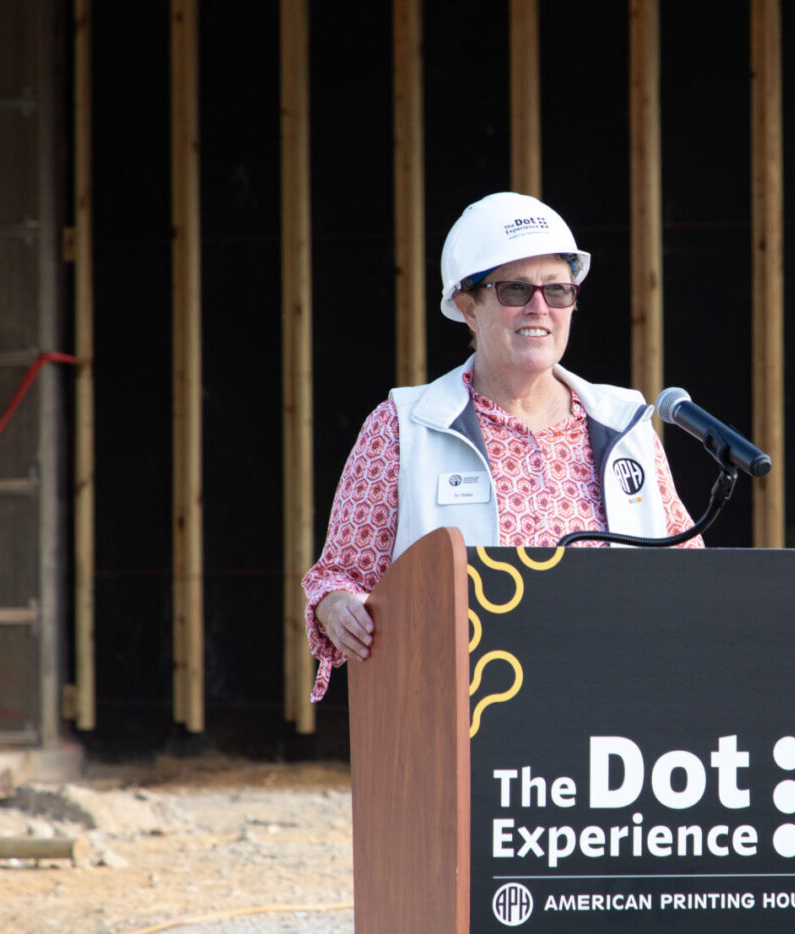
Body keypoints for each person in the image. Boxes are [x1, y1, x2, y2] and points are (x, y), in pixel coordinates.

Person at [301, 192, 703, 700]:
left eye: (558, 291)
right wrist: (337, 607)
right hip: (462, 715)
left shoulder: (626, 424)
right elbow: (339, 575)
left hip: (614, 712)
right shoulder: (402, 428)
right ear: (469, 307)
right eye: (516, 290)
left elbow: (690, 570)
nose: (541, 307)